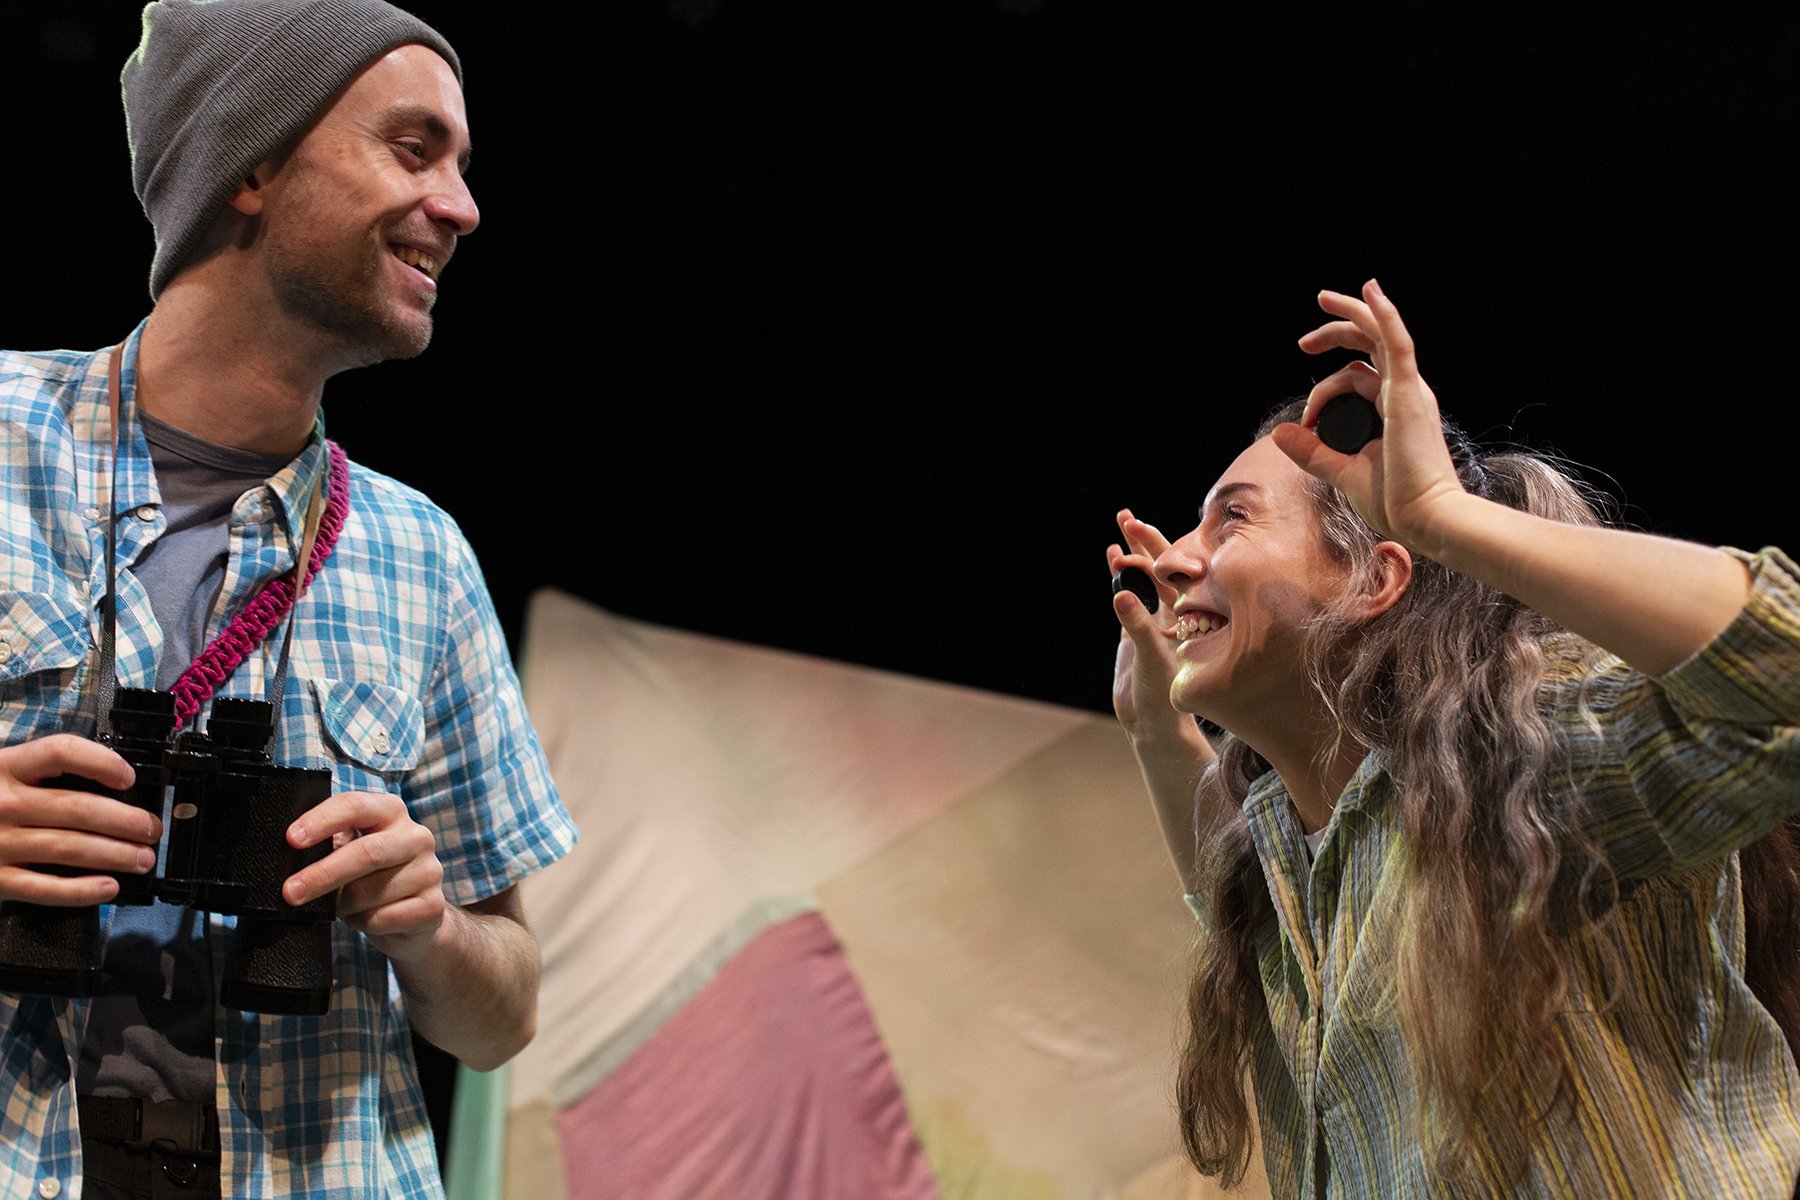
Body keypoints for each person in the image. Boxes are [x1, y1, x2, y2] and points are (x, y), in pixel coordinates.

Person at [0, 2, 578, 1197]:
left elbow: (502, 1014)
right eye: (414, 150)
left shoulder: (419, 555)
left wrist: (432, 930)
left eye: (461, 166)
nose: (463, 207)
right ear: (251, 163)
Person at [1107, 279, 1800, 1198]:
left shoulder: (1520, 759)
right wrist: (1157, 727)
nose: (1175, 558)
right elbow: (1225, 879)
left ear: (1373, 581)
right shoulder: (1294, 856)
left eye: (1230, 518)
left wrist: (1444, 515)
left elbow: (1779, 676)